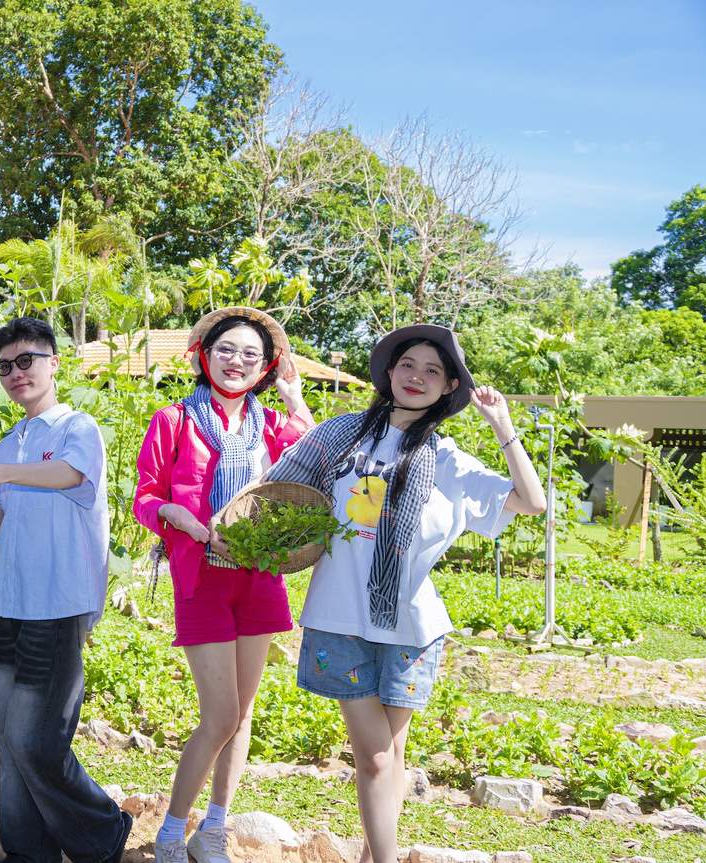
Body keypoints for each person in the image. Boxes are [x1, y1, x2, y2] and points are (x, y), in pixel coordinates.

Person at [262, 325, 546, 863]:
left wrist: (503, 425)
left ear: (449, 388)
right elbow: (278, 489)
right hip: (339, 616)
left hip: (410, 626)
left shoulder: (447, 459)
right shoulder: (341, 436)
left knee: (392, 753)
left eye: (433, 371)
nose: (417, 376)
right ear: (390, 372)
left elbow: (530, 502)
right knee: (374, 758)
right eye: (408, 364)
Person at [0, 316, 132, 863]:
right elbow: (3, 527)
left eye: (27, 360)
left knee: (36, 740)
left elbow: (72, 475)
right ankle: (27, 853)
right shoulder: (9, 442)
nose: (16, 372)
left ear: (54, 363)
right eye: (6, 366)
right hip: (14, 602)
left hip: (59, 601)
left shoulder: (76, 427)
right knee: (7, 737)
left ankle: (103, 832)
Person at [133, 307, 316, 863]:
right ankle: (171, 831)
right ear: (204, 355)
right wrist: (174, 516)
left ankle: (214, 829)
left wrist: (294, 399)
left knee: (243, 714)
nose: (237, 361)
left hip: (260, 576)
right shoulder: (174, 420)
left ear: (266, 367)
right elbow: (146, 495)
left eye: (250, 354)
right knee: (220, 715)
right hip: (202, 577)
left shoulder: (272, 426)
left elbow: (318, 456)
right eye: (227, 350)